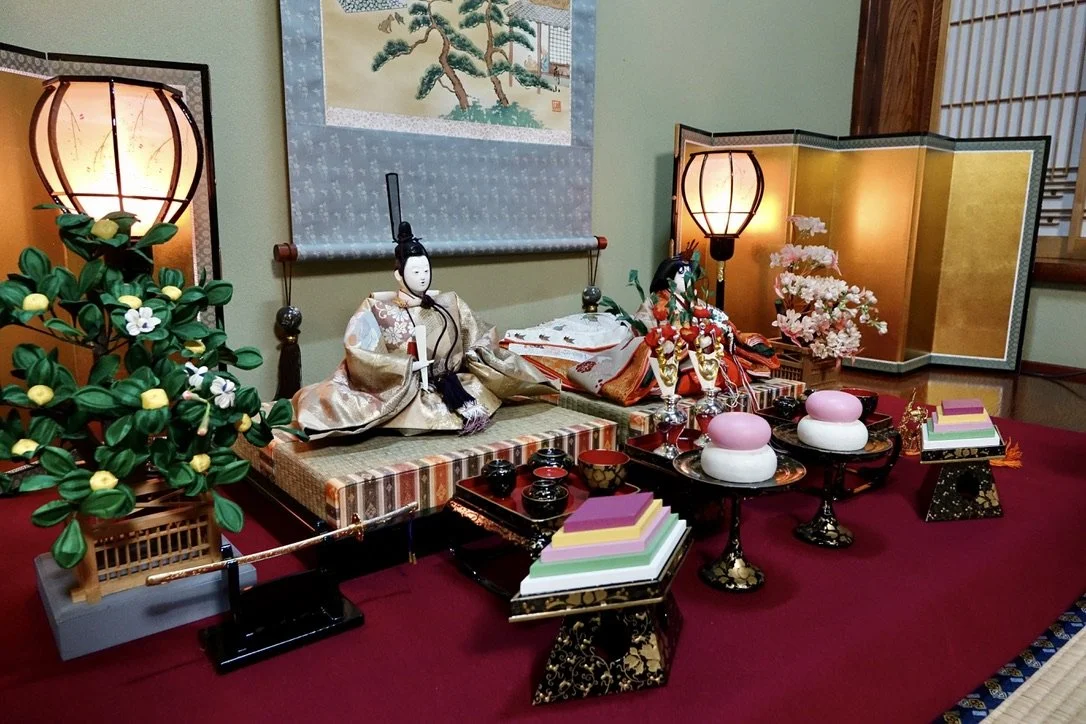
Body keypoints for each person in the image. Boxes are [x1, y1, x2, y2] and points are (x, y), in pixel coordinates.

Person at [292, 224, 559, 438]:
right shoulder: (376, 307)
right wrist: (406, 367)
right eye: (415, 270)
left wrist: (474, 354)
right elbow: (359, 351)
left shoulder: (447, 302)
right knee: (333, 402)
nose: (422, 276)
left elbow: (478, 333)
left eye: (426, 270)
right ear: (398, 275)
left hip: (454, 384)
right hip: (405, 390)